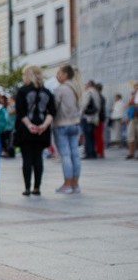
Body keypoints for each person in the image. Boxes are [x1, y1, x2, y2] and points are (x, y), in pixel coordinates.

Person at [13, 66, 56, 196]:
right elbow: (52, 111)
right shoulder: (47, 92)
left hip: (26, 129)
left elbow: (20, 112)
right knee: (38, 158)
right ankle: (37, 187)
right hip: (42, 129)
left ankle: (27, 188)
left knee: (27, 159)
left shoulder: (22, 91)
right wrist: (43, 125)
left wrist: (30, 125)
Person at [52, 64, 83, 193]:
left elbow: (54, 107)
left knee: (65, 155)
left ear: (65, 74)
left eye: (59, 73)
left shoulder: (61, 89)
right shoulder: (77, 87)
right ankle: (75, 184)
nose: (57, 75)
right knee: (75, 154)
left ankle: (67, 184)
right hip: (75, 123)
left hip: (62, 124)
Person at [80, 80, 101, 160]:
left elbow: (84, 104)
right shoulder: (96, 92)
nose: (84, 86)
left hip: (87, 117)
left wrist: (80, 114)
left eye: (85, 84)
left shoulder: (88, 92)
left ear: (89, 85)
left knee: (87, 136)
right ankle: (93, 152)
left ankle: (89, 153)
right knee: (91, 136)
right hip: (94, 117)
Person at [94, 82, 106, 158]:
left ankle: (100, 152)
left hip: (99, 119)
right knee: (99, 136)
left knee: (98, 136)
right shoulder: (102, 97)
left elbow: (98, 109)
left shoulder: (98, 97)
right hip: (101, 118)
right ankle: (100, 152)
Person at [126, 82, 138, 159]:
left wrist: (133, 104)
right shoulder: (133, 95)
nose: (136, 88)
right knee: (130, 136)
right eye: (135, 87)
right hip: (132, 118)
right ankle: (131, 153)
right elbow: (129, 106)